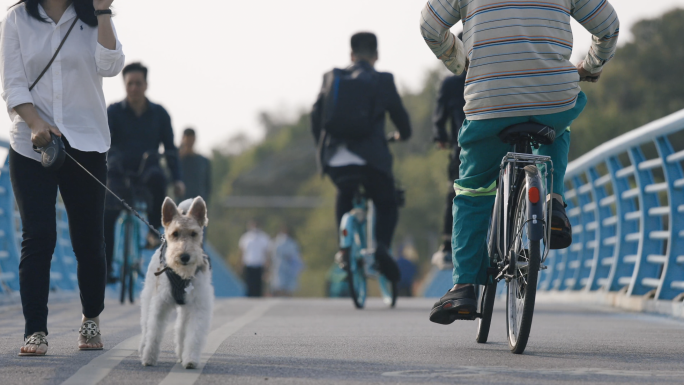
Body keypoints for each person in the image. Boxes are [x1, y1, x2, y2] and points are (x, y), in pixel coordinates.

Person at [420, 0, 619, 323]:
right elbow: (608, 27)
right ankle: (553, 201)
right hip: (553, 97)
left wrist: (461, 63)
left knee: (471, 190)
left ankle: (465, 285)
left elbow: (431, 27)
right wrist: (591, 67)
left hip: (489, 101)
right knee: (559, 128)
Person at [1, 0, 124, 355]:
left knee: (88, 240)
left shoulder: (89, 16)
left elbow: (111, 65)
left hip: (86, 141)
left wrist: (102, 12)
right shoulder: (17, 19)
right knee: (38, 236)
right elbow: (13, 83)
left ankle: (91, 318)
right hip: (32, 144)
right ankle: (35, 329)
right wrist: (36, 124)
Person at [311, 32, 412, 283]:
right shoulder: (383, 81)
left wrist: (323, 148)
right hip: (371, 159)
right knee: (386, 202)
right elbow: (402, 119)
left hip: (335, 158)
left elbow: (315, 116)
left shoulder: (331, 78)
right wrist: (401, 135)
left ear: (351, 55)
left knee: (344, 192)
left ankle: (343, 249)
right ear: (376, 56)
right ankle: (381, 246)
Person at [103, 62, 185, 282]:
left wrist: (177, 179)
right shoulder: (113, 112)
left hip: (149, 170)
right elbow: (103, 144)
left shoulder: (160, 114)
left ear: (146, 85)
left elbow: (170, 149)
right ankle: (107, 267)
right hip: (119, 172)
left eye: (138, 83)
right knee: (107, 214)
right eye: (130, 83)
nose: (134, 88)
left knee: (159, 179)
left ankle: (152, 232)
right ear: (124, 85)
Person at [431, 39, 467, 268]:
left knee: (453, 192)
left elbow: (438, 119)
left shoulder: (451, 83)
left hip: (463, 147)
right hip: (504, 142)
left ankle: (446, 245)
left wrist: (441, 138)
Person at [238, 220, 271, 297]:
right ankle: (249, 296)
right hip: (249, 264)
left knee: (258, 285)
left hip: (259, 264)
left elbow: (266, 253)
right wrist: (240, 264)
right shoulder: (245, 238)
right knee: (249, 284)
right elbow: (242, 252)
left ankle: (257, 296)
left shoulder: (264, 237)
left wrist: (267, 266)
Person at [179, 128, 211, 204]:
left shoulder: (203, 161)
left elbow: (208, 185)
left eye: (191, 139)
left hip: (198, 204)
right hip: (180, 204)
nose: (189, 142)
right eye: (187, 139)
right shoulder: (177, 161)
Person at [269, 226, 303, 297]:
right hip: (279, 266)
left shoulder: (292, 243)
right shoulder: (276, 242)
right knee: (278, 284)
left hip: (289, 267)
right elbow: (272, 255)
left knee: (289, 286)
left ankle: (287, 298)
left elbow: (296, 255)